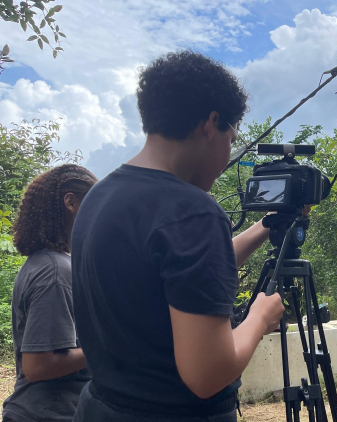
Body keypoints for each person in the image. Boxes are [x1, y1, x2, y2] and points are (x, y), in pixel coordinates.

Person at [71, 51, 286, 422]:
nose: (228, 151)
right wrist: (259, 318)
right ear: (211, 124)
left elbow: (178, 275)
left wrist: (266, 225)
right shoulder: (192, 211)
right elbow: (208, 375)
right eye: (231, 137)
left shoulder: (101, 196)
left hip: (100, 407)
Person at [3, 164, 97, 422]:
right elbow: (38, 366)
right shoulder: (55, 270)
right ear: (71, 203)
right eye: (94, 201)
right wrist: (108, 345)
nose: (100, 212)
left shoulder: (47, 263)